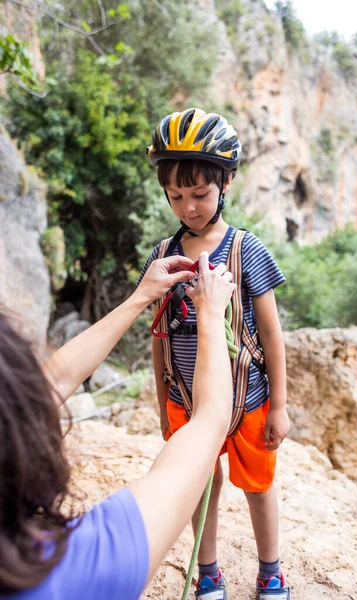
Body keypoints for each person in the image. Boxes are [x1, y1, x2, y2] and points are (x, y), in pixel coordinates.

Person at [0, 252, 236, 599]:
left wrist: (142, 296)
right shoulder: (77, 569)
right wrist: (212, 312)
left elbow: (54, 382)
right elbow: (211, 419)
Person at [139, 108, 291, 599]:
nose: (188, 207)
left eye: (200, 194)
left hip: (248, 400)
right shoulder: (164, 256)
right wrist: (163, 402)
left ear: (225, 182)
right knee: (199, 486)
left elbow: (271, 333)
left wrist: (281, 406)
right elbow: (159, 337)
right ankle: (208, 573)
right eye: (176, 196)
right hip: (187, 400)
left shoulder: (247, 250)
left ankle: (270, 570)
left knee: (258, 486)